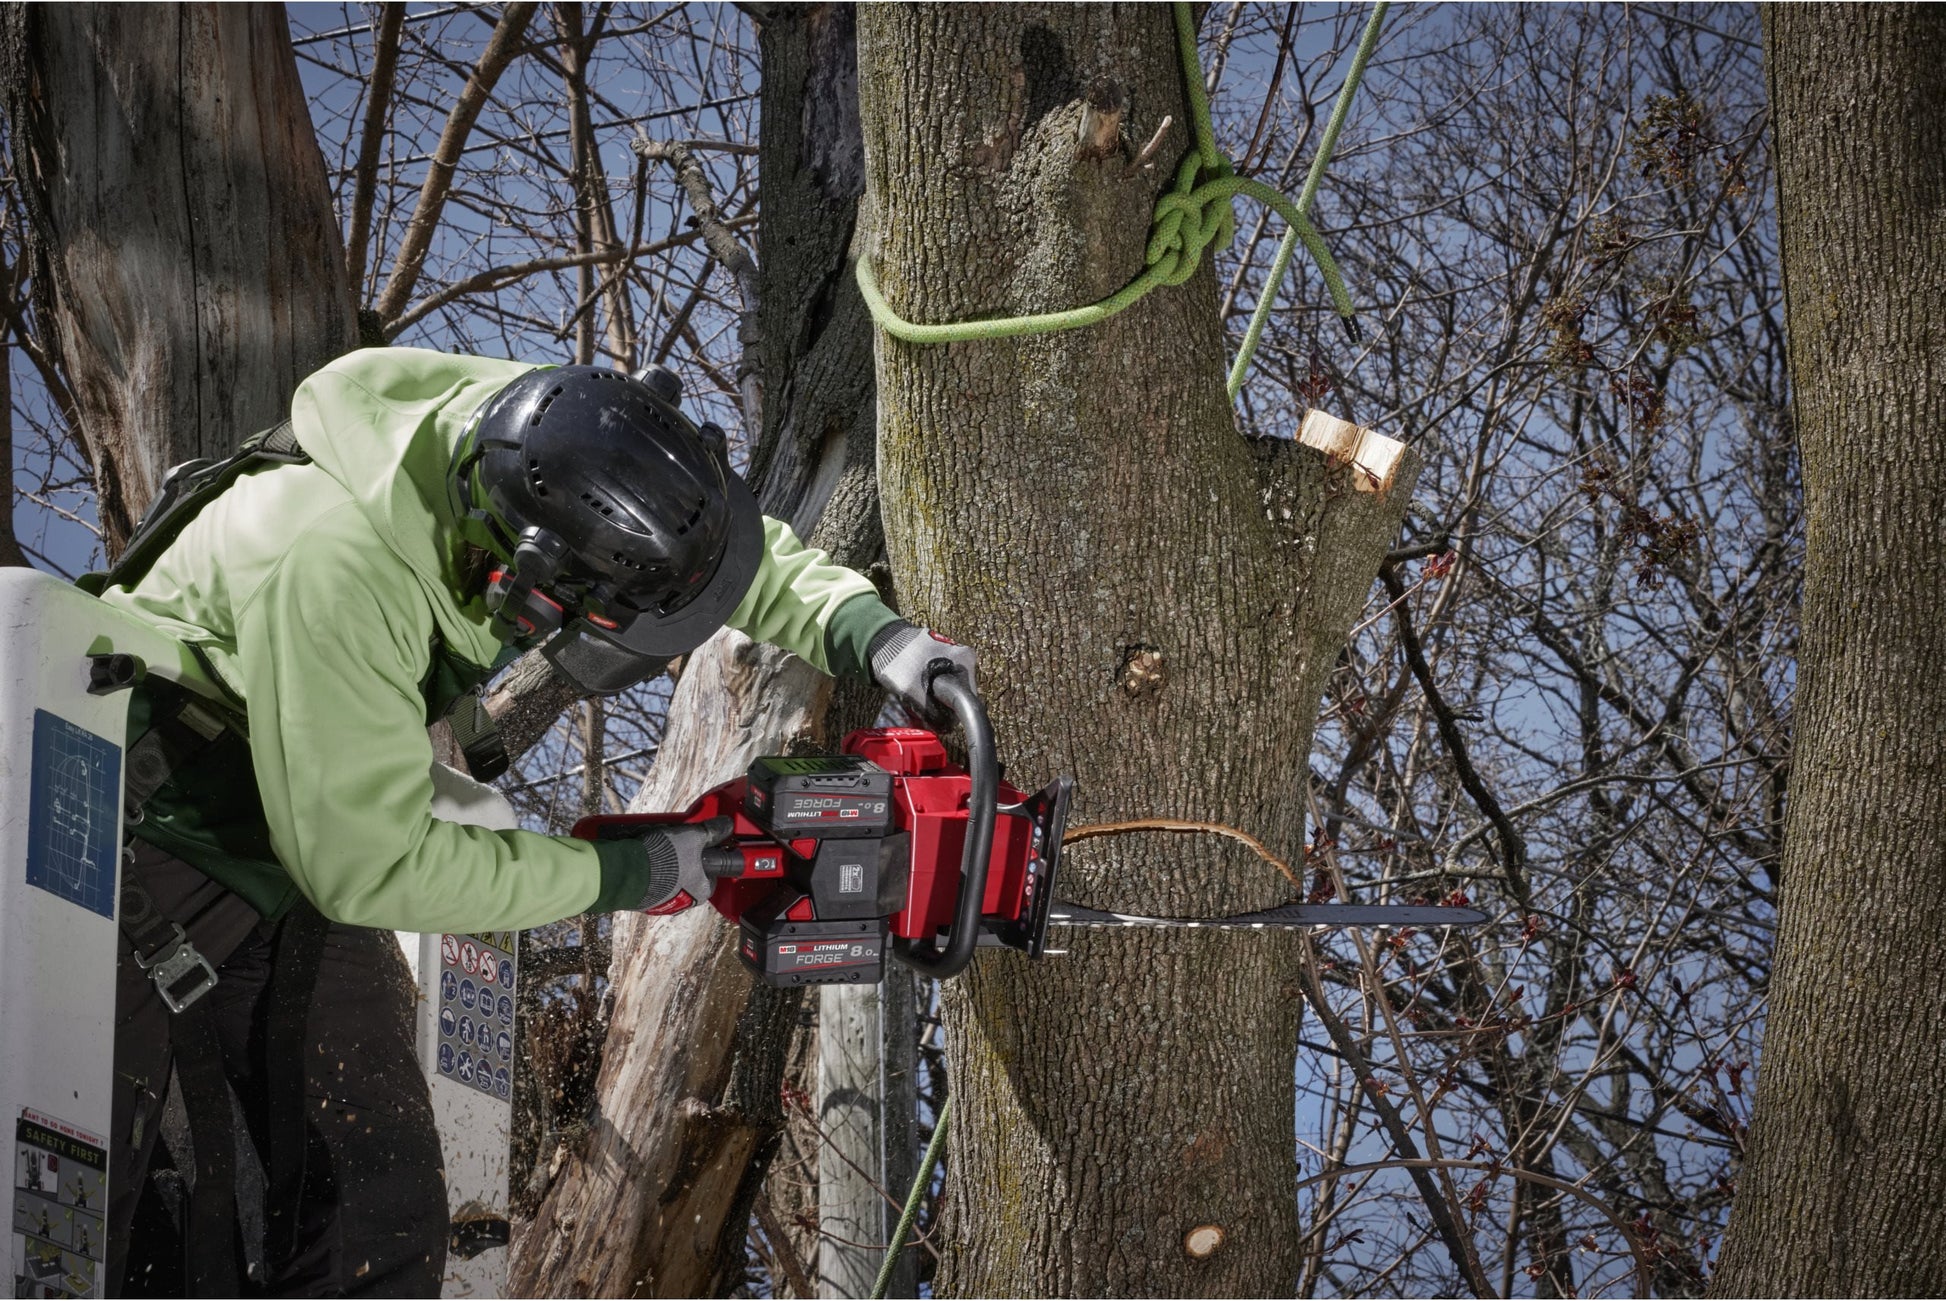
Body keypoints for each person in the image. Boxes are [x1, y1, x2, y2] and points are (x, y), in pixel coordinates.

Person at [94, 347, 974, 1297]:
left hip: (300, 829)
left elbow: (703, 558)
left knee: (382, 1211)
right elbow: (369, 866)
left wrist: (871, 633)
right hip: (143, 841)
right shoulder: (333, 569)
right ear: (532, 580)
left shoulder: (555, 435)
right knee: (87, 1184)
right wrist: (622, 873)